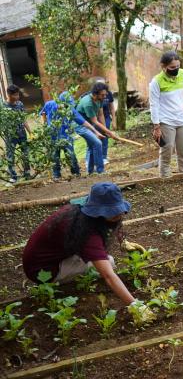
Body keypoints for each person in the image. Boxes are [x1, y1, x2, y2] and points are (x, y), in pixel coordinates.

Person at [22, 182, 155, 323]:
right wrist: (136, 306)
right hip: (42, 270)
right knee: (109, 262)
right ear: (98, 212)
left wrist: (124, 242)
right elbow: (108, 276)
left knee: (103, 259)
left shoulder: (81, 211)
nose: (120, 213)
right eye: (113, 212)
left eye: (119, 209)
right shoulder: (87, 234)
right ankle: (56, 283)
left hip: (43, 257)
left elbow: (112, 224)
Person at [150, 51, 183, 178]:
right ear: (163, 66)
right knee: (167, 151)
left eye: (177, 66)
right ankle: (165, 179)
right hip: (166, 121)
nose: (175, 69)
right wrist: (156, 126)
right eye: (172, 67)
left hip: (182, 120)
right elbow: (154, 104)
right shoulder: (156, 82)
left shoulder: (182, 74)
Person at [40, 92, 104, 180]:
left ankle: (76, 173)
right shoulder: (49, 104)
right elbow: (43, 113)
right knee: (55, 157)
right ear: (60, 102)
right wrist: (45, 126)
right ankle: (56, 175)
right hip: (52, 136)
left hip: (66, 136)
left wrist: (95, 132)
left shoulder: (71, 110)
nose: (67, 107)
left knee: (71, 156)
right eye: (66, 105)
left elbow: (84, 122)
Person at [76, 82, 118, 174]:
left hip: (89, 123)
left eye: (105, 95)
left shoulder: (100, 99)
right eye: (102, 95)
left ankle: (90, 171)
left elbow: (101, 115)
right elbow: (95, 121)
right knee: (97, 143)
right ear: (95, 94)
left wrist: (105, 130)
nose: (105, 97)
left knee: (92, 145)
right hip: (80, 125)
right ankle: (100, 170)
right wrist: (110, 133)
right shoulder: (88, 103)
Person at [2, 85, 32, 183]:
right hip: (10, 136)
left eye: (18, 94)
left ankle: (27, 173)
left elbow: (24, 119)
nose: (17, 96)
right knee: (10, 156)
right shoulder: (3, 106)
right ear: (9, 94)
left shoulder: (20, 104)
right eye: (15, 95)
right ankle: (13, 176)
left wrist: (30, 132)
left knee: (25, 154)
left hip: (22, 134)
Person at [94, 78, 116, 164]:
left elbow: (112, 108)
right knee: (98, 136)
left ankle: (104, 157)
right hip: (95, 119)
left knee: (106, 135)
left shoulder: (108, 94)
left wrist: (114, 120)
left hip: (106, 117)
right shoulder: (94, 96)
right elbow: (99, 113)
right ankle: (97, 156)